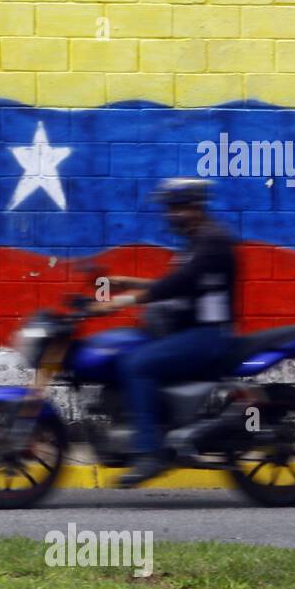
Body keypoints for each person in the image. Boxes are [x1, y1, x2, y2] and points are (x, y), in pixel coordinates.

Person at [98, 177, 238, 488]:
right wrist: (131, 282)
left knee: (137, 364)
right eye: (169, 209)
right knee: (132, 348)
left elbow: (180, 283)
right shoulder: (198, 241)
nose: (171, 215)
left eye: (177, 208)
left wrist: (125, 300)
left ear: (195, 207)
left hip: (207, 336)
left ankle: (151, 452)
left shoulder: (212, 241)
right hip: (192, 331)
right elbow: (185, 285)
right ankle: (158, 425)